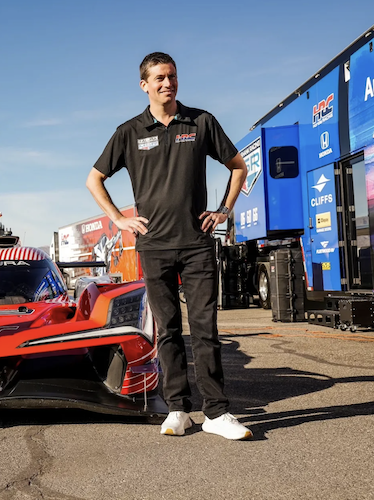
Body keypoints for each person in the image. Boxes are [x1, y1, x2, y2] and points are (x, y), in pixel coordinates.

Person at [86, 52, 251, 440]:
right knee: (168, 332)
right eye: (159, 78)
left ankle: (216, 413)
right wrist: (119, 218)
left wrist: (224, 210)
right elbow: (95, 179)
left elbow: (239, 166)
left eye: (172, 76)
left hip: (196, 244)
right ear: (144, 85)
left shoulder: (201, 122)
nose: (167, 83)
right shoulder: (129, 131)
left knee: (205, 329)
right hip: (154, 246)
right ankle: (178, 409)